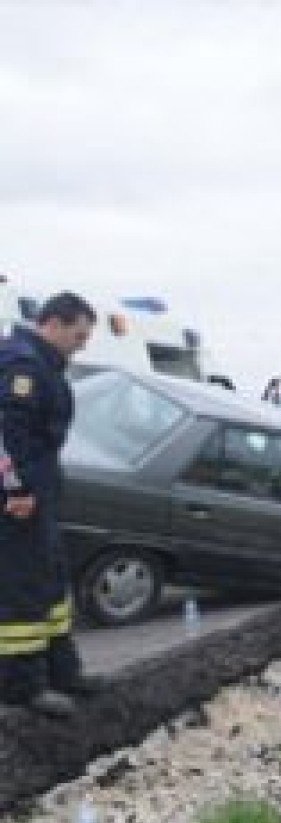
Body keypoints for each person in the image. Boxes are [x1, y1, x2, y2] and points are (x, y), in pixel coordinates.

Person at [0, 293, 97, 719]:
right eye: (78, 335)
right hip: (19, 497)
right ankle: (22, 686)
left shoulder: (44, 365)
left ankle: (62, 671)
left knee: (52, 580)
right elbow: (7, 437)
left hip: (42, 491)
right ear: (53, 323)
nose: (82, 344)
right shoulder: (21, 365)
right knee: (22, 590)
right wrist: (15, 490)